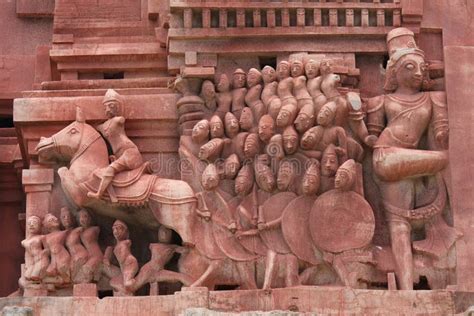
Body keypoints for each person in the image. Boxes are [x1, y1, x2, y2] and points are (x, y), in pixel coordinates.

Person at [366, 28, 449, 290]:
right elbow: (372, 139)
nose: (416, 73)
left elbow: (441, 132)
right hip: (386, 157)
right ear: (394, 72)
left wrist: (443, 131)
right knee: (441, 160)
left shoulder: (434, 98)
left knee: (400, 224)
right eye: (409, 67)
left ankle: (407, 291)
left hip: (410, 161)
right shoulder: (383, 100)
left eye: (420, 68)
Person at [88, 89, 143, 201]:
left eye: (111, 106)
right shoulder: (105, 125)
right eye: (106, 107)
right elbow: (96, 130)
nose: (108, 109)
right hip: (122, 155)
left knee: (109, 170)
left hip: (130, 153)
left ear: (118, 107)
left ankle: (99, 194)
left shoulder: (119, 120)